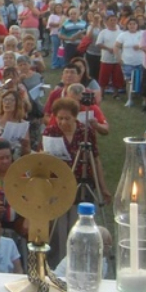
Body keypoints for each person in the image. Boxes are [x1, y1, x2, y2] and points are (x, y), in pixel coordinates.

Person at [43, 98, 112, 267]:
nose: (62, 122)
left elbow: (95, 159)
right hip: (59, 183)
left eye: (67, 118)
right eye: (59, 118)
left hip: (83, 181)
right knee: (60, 226)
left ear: (75, 117)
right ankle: (59, 262)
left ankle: (81, 259)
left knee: (79, 222)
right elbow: (42, 159)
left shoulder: (85, 131)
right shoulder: (50, 131)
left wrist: (103, 188)